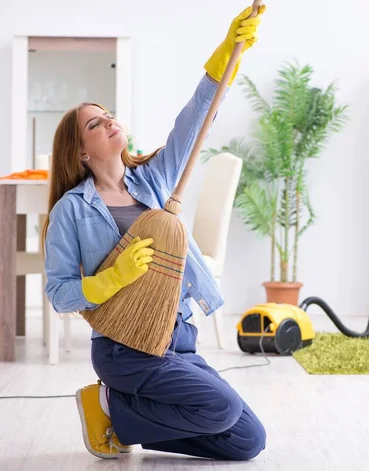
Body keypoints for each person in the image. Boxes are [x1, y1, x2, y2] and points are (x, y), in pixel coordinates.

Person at [42, 6, 267, 461]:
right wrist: (110, 279)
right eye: (95, 123)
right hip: (124, 349)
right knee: (220, 407)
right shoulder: (72, 210)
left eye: (108, 114)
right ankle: (113, 400)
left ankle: (118, 417)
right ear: (81, 153)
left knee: (247, 441)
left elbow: (196, 117)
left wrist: (225, 56)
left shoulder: (156, 180)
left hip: (179, 338)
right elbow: (59, 292)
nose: (109, 121)